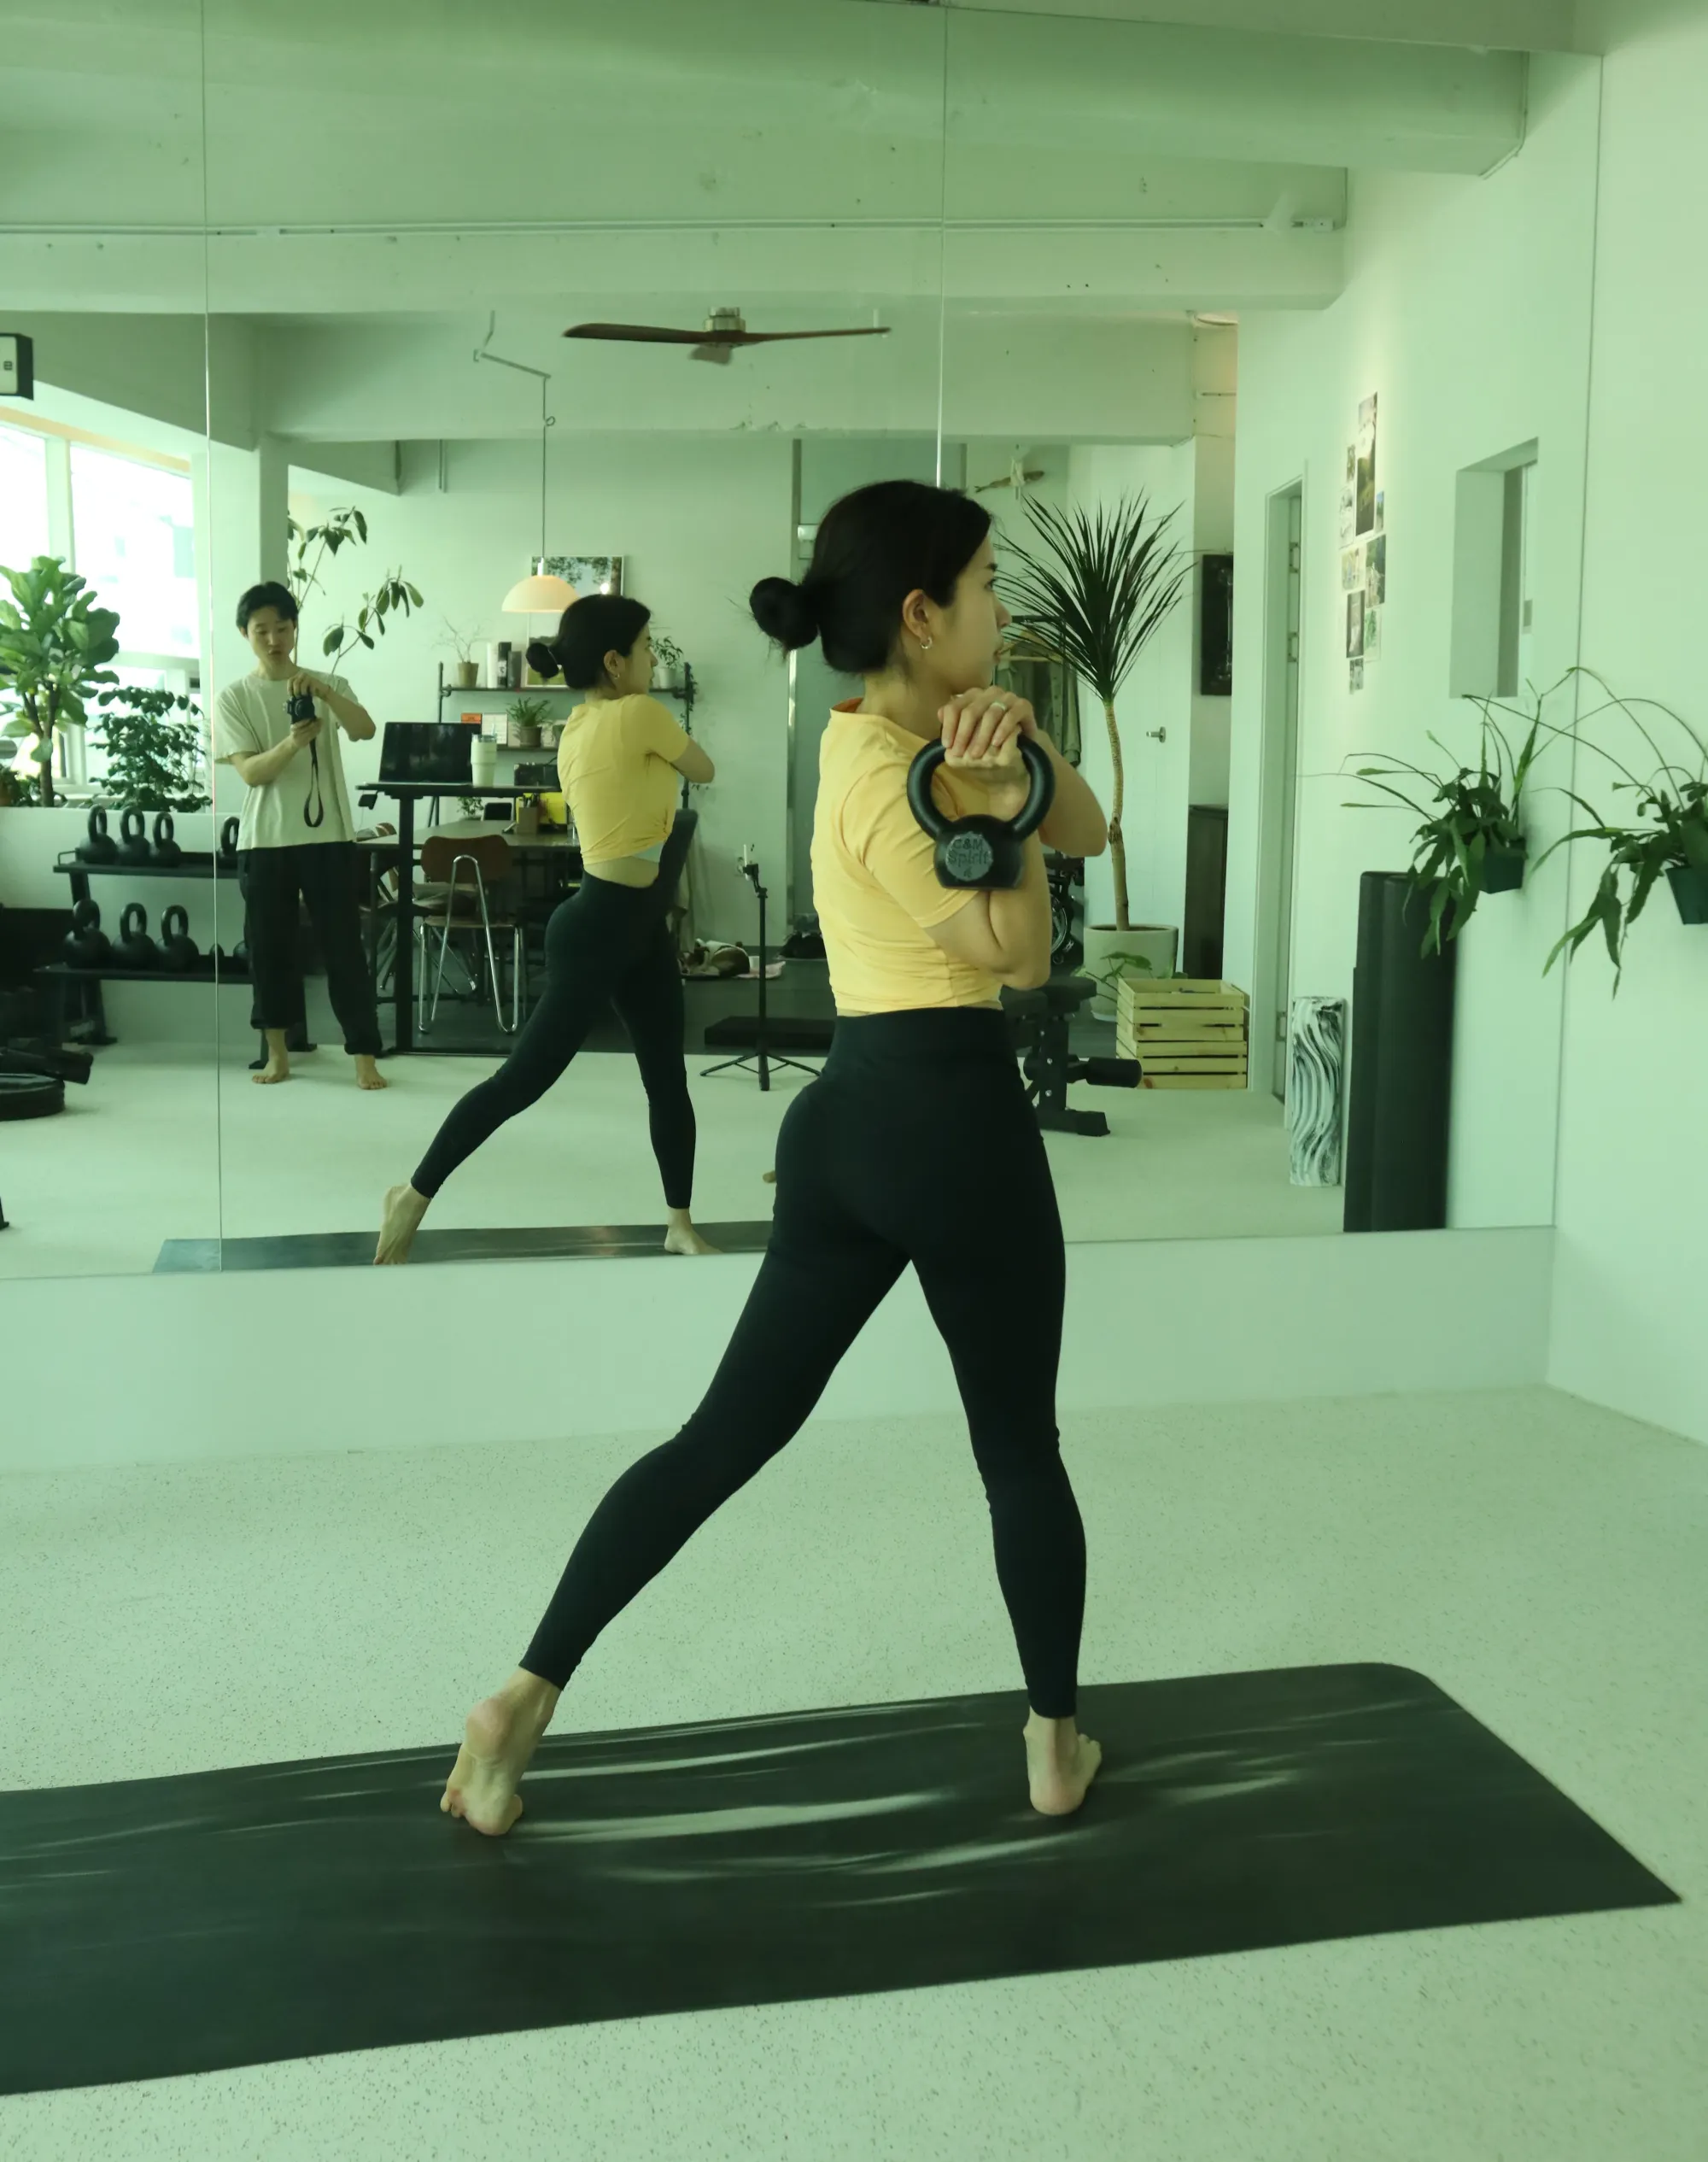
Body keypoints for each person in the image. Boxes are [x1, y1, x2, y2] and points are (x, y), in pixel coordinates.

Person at [440, 480, 1112, 1836]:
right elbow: (1022, 957)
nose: (1002, 607)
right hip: (957, 1129)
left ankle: (523, 1694)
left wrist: (1026, 752)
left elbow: (1086, 827)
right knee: (1017, 1450)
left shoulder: (892, 734)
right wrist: (999, 797)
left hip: (848, 1127)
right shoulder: (889, 784)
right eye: (986, 585)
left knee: (722, 1436)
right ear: (921, 615)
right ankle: (1053, 1744)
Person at [375, 594, 717, 1263]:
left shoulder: (578, 724)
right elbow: (704, 768)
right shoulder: (641, 713)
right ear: (615, 661)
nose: (653, 658)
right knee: (524, 1079)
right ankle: (411, 1193)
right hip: (599, 927)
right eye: (646, 646)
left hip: (635, 924)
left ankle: (678, 1221)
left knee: (666, 1077)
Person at [214, 583, 387, 1090]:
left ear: (295, 629)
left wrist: (325, 694)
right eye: (261, 631)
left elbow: (365, 729)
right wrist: (293, 743)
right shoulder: (234, 697)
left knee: (345, 950)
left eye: (283, 628)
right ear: (245, 633)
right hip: (264, 840)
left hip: (329, 837)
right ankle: (277, 1055)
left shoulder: (328, 684)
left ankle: (364, 1056)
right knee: (269, 951)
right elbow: (251, 773)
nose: (274, 640)